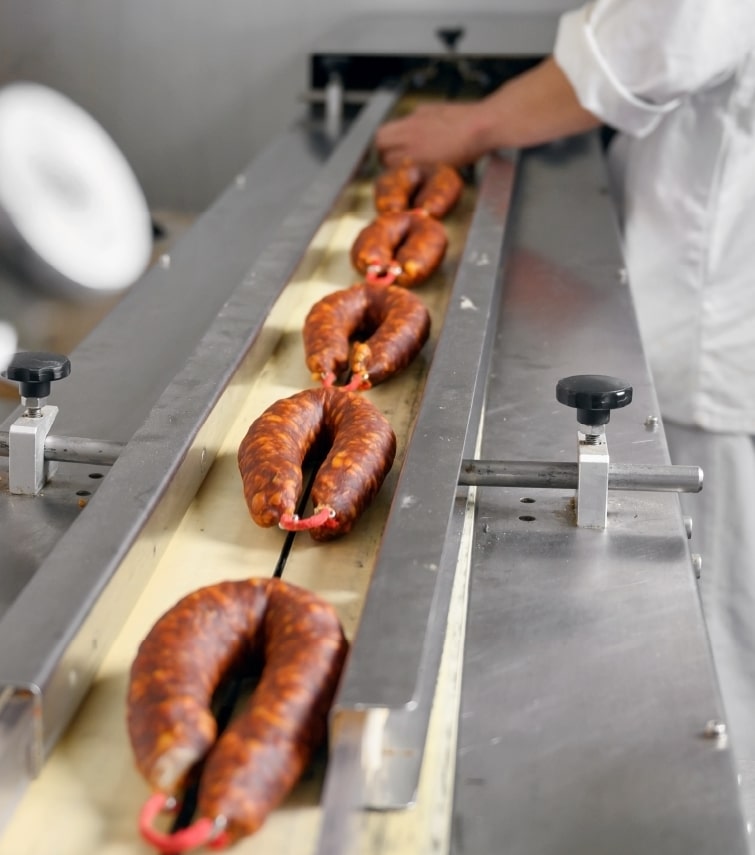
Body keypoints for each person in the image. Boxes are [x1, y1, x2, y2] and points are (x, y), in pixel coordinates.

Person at [377, 0, 755, 830]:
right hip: (713, 310)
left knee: (712, 641)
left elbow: (640, 48)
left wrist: (474, 126)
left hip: (712, 334)